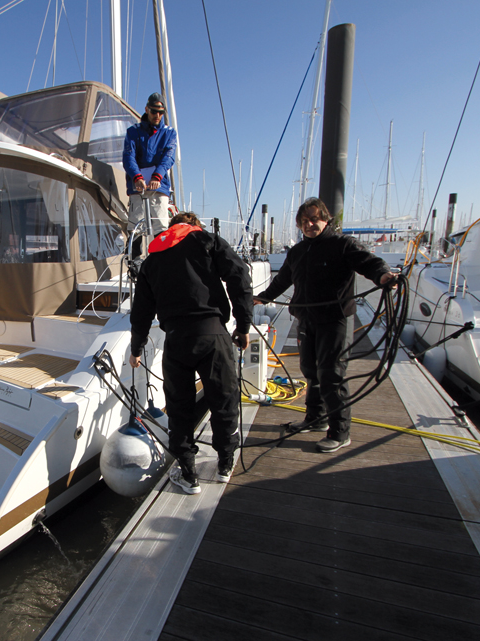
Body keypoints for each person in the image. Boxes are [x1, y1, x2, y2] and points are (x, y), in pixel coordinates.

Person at [254, 197, 397, 454]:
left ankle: (340, 433)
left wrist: (383, 275)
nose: (310, 224)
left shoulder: (342, 244)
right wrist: (261, 298)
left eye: (314, 219)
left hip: (335, 320)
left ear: (326, 219)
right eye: (304, 221)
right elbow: (283, 280)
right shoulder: (297, 252)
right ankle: (315, 419)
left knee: (331, 375)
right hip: (307, 319)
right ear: (299, 224)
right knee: (310, 370)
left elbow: (369, 263)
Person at [129, 212, 252, 494]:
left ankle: (188, 474)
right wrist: (243, 325)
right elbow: (239, 276)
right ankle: (224, 464)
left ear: (171, 229)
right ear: (194, 226)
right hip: (213, 335)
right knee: (223, 399)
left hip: (176, 339)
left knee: (179, 406)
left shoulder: (152, 259)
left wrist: (136, 348)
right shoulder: (206, 241)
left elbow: (142, 312)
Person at [122, 92, 178, 255]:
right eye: (154, 112)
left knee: (160, 225)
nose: (157, 115)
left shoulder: (169, 133)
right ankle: (134, 264)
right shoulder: (133, 132)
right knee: (135, 226)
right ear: (147, 109)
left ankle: (162, 263)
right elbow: (128, 156)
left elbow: (169, 156)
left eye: (161, 113)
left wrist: (157, 176)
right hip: (138, 185)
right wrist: (137, 177)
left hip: (159, 185)